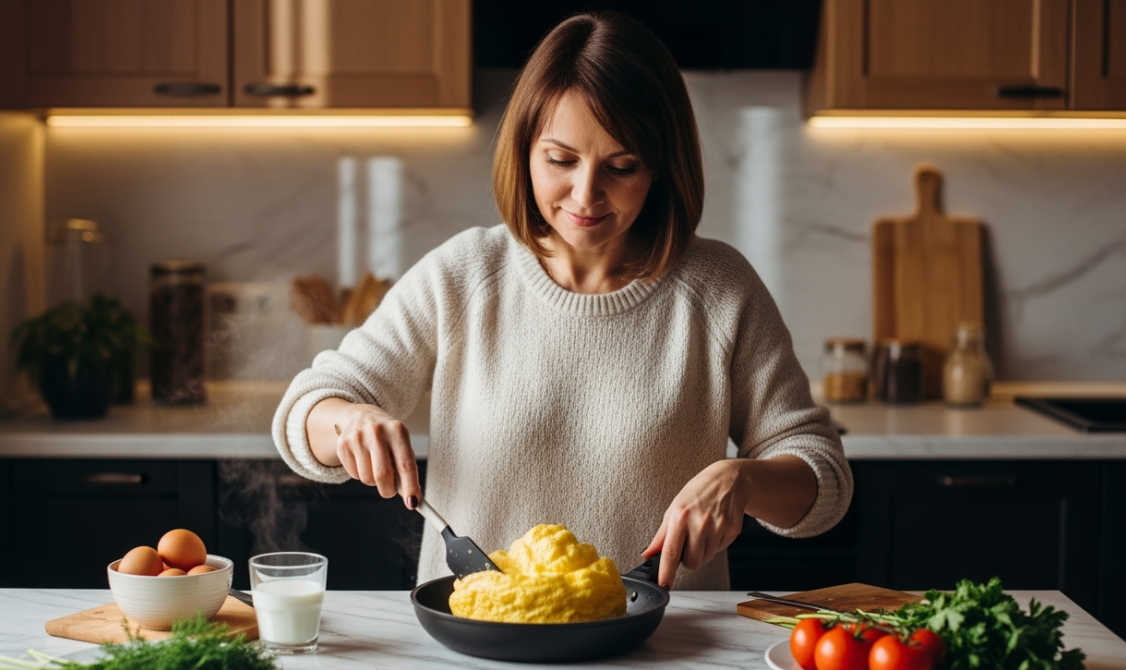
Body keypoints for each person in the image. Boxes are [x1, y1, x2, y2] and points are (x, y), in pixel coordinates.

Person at [272, 12, 851, 590]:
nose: (586, 194)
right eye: (561, 160)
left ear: (661, 170)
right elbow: (306, 410)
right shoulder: (464, 275)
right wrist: (349, 420)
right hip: (481, 650)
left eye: (621, 166)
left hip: (664, 654)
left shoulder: (719, 289)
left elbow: (822, 480)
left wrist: (745, 481)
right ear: (524, 151)